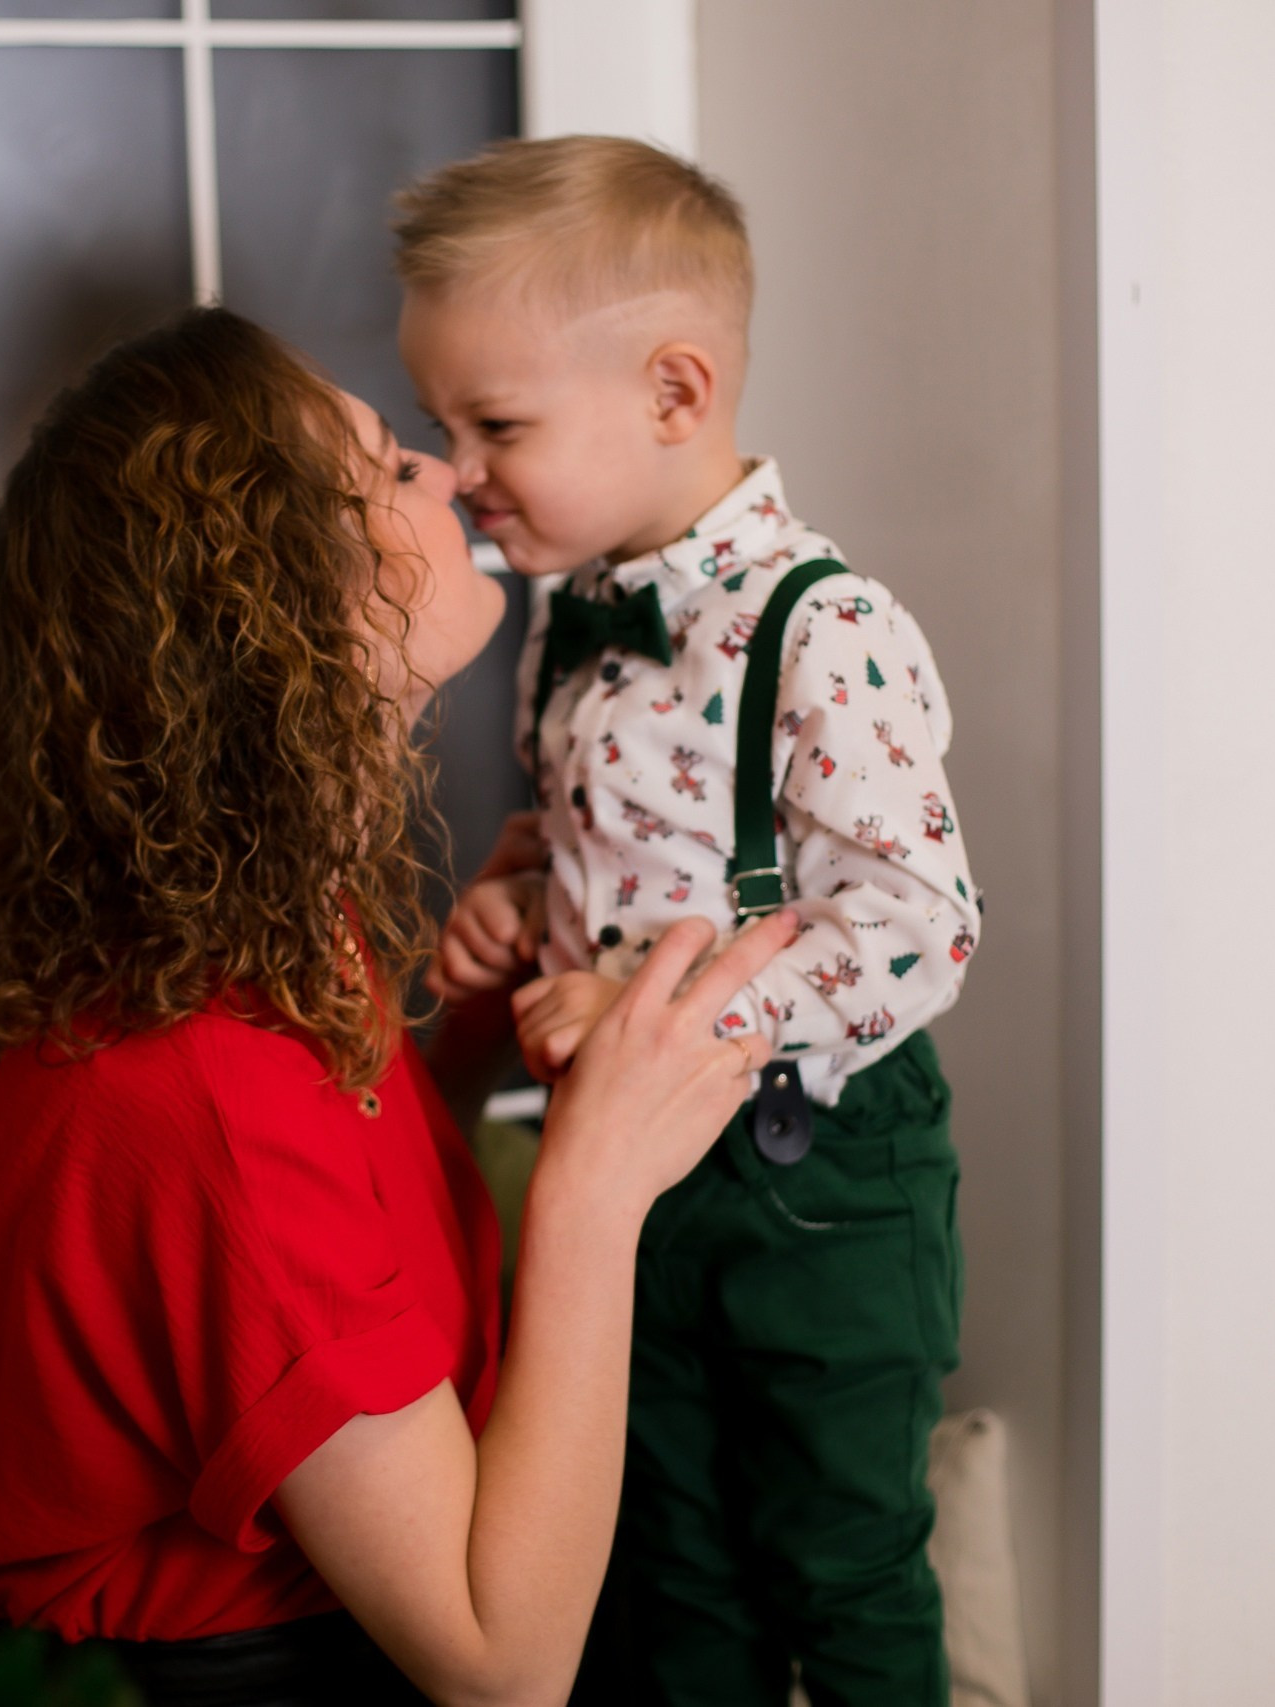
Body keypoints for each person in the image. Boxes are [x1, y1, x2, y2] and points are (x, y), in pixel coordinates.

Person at [0, 306, 801, 1707]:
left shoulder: (249, 929)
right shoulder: (210, 1087)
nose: (450, 473)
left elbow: (318, 1266)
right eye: (389, 467)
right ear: (288, 601)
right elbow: (499, 1667)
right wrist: (595, 1187)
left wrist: (459, 1043)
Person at [396, 136, 985, 1706]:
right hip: (626, 1180)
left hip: (816, 1175)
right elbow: (618, 854)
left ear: (674, 392)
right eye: (442, 428)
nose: (457, 471)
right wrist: (522, 907)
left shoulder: (824, 627)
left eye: (495, 425)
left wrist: (685, 1018)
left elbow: (921, 924)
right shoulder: (566, 625)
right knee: (670, 1567)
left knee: (841, 1561)